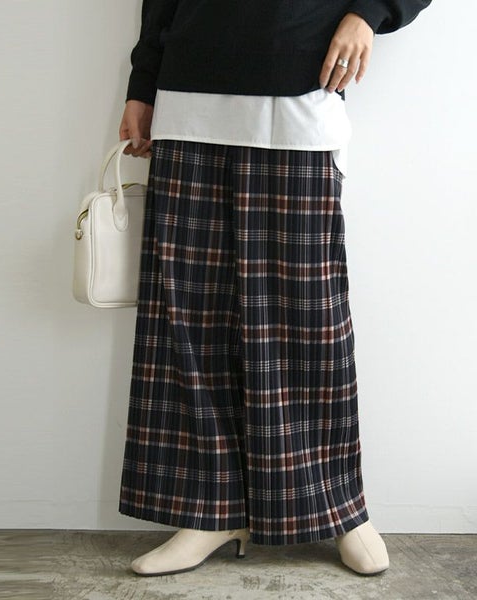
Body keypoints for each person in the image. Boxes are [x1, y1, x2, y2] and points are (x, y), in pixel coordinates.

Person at [117, 0, 431, 577]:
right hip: (187, 98)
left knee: (307, 322)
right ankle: (209, 511)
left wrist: (368, 13)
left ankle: (335, 505)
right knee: (191, 323)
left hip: (300, 87)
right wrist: (142, 85)